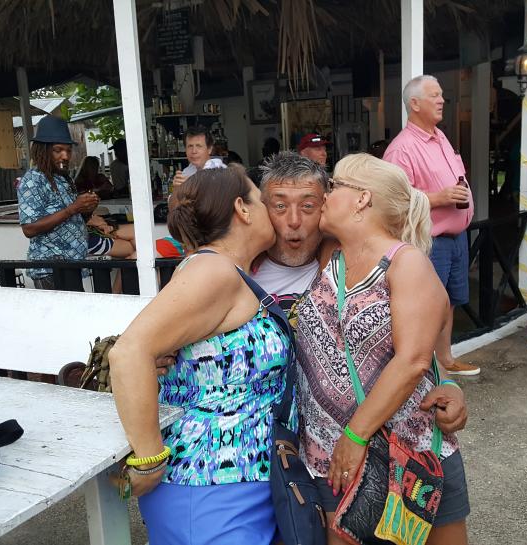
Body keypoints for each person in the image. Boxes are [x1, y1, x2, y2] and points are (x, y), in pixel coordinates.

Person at [294, 153, 471, 545]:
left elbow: (415, 359)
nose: (325, 195)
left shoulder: (405, 264)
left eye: (334, 185)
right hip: (330, 458)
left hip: (408, 456)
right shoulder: (330, 257)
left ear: (362, 198)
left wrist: (355, 437)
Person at [109, 166, 284, 544]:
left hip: (234, 482)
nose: (272, 211)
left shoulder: (225, 270)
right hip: (208, 484)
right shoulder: (213, 270)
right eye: (262, 200)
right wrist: (148, 459)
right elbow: (129, 352)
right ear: (242, 208)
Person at [251, 151, 467, 433]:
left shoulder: (347, 262)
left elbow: (404, 343)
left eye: (308, 206)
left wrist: (447, 382)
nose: (293, 220)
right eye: (279, 206)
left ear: (324, 205)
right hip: (266, 436)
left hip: (355, 438)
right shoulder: (241, 270)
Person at [383, 74, 480, 376]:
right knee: (428, 306)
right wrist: (439, 198)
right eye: (434, 95)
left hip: (456, 237)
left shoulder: (440, 137)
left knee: (448, 301)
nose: (442, 100)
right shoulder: (401, 149)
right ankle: (424, 369)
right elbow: (394, 201)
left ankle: (445, 360)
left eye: (441, 95)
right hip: (429, 241)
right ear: (414, 104)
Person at [17, 115, 99, 290]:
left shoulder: (62, 178)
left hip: (71, 264)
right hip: (51, 270)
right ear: (43, 150)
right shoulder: (33, 180)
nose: (65, 156)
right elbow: (29, 229)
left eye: (68, 150)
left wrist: (86, 209)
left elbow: (70, 219)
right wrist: (73, 208)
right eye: (58, 150)